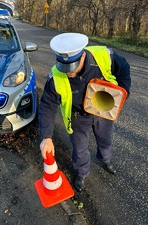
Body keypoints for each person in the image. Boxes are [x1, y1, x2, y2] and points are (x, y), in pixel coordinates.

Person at [38, 33, 131, 192]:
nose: (68, 72)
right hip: (78, 117)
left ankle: (105, 160)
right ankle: (81, 173)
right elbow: (47, 106)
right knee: (79, 148)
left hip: (103, 112)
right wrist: (46, 137)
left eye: (72, 67)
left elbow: (124, 68)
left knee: (105, 139)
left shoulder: (104, 56)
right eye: (64, 67)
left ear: (82, 56)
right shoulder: (55, 77)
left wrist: (122, 92)